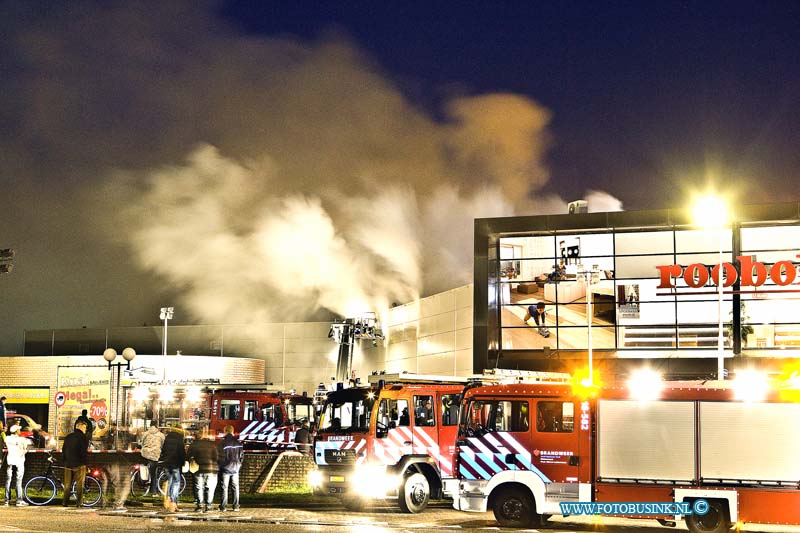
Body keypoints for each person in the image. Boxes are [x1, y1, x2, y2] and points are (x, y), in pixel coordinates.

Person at [187, 428, 218, 513]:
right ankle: (209, 506)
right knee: (210, 488)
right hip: (211, 469)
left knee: (199, 487)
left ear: (194, 437)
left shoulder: (193, 445)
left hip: (199, 469)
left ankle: (200, 506)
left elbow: (188, 456)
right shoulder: (212, 444)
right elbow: (216, 457)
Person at [158, 426, 186, 513]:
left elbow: (163, 450)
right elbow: (181, 453)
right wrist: (183, 462)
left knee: (169, 482)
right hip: (175, 464)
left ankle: (167, 502)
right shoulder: (179, 439)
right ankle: (173, 503)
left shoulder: (167, 438)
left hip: (167, 463)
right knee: (176, 483)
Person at [62, 421, 89, 507]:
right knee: (79, 484)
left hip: (68, 464)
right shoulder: (83, 438)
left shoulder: (68, 437)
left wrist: (65, 461)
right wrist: (85, 463)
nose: (85, 429)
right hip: (79, 464)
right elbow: (83, 452)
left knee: (67, 484)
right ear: (81, 427)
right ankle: (79, 502)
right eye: (85, 428)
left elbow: (63, 450)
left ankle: (65, 502)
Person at [217, 425, 243, 512]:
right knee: (235, 487)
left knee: (224, 487)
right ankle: (236, 506)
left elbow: (220, 457)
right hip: (236, 468)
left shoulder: (222, 443)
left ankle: (223, 506)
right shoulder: (238, 443)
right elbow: (241, 456)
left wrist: (221, 465)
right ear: (232, 431)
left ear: (225, 431)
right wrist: (239, 464)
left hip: (226, 468)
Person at [4, 424, 29, 506]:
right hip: (19, 462)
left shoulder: (7, 439)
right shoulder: (22, 439)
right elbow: (25, 449)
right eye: (19, 429)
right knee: (18, 481)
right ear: (16, 431)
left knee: (8, 481)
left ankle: (7, 500)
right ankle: (19, 500)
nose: (20, 431)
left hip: (10, 461)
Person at [140, 421, 165, 497]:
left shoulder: (145, 433)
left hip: (145, 454)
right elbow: (163, 444)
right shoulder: (161, 435)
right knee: (154, 473)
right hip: (155, 455)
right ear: (157, 426)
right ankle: (154, 492)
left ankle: (144, 482)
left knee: (144, 468)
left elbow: (142, 443)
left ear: (150, 425)